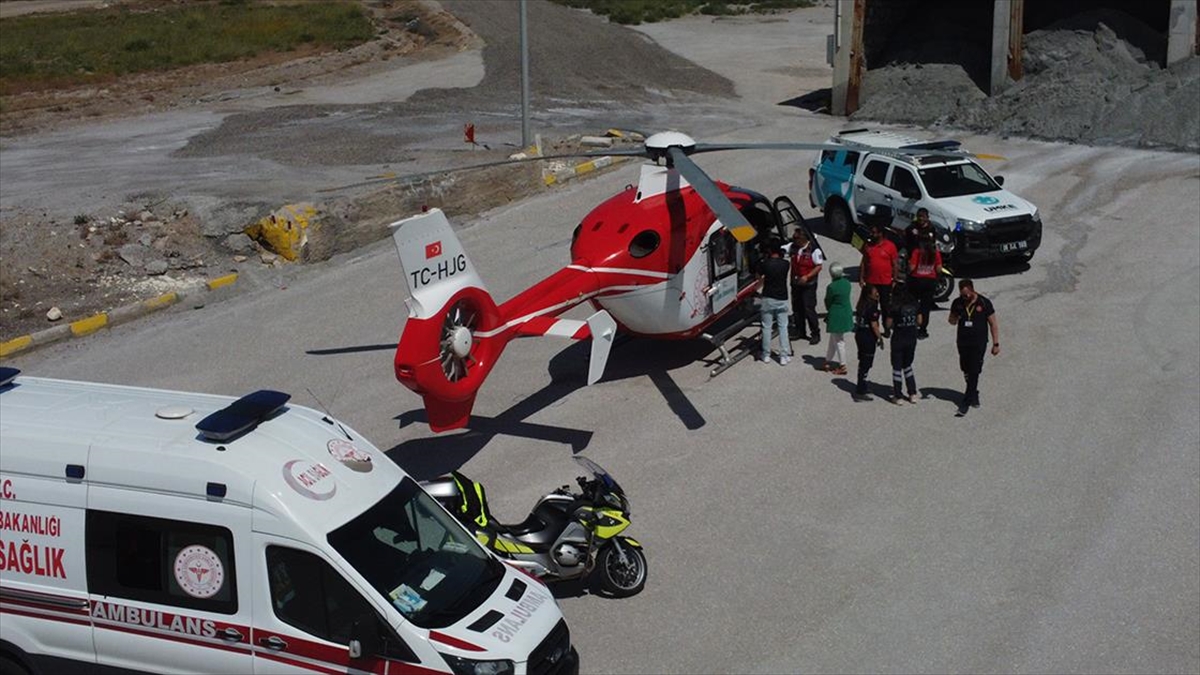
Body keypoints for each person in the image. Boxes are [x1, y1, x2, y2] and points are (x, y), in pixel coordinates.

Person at [947, 279, 999, 412]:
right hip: (963, 342)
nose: (966, 297)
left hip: (978, 343)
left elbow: (993, 324)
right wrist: (954, 318)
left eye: (968, 294)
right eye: (963, 295)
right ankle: (973, 393)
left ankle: (966, 401)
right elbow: (952, 321)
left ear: (972, 289)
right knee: (965, 368)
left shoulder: (984, 303)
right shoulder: (957, 303)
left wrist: (996, 343)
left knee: (974, 369)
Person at [884, 285, 923, 404]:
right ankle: (912, 393)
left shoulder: (894, 307)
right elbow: (920, 321)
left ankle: (898, 396)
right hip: (911, 338)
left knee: (897, 368)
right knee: (907, 365)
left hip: (898, 339)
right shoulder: (915, 304)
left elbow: (888, 324)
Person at [859, 222, 899, 336]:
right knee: (871, 306)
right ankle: (873, 327)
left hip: (885, 282)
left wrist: (895, 279)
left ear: (881, 233)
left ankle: (886, 328)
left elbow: (895, 264)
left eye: (874, 232)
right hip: (871, 282)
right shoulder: (868, 246)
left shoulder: (890, 246)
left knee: (885, 307)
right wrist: (861, 277)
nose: (872, 234)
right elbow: (864, 262)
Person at [758, 237, 792, 366]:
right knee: (783, 327)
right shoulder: (785, 264)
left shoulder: (765, 264)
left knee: (766, 327)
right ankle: (784, 355)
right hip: (782, 298)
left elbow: (758, 276)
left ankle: (766, 354)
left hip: (768, 297)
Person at [788, 229, 824, 344]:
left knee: (809, 309)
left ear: (802, 239)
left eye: (796, 238)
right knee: (797, 308)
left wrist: (807, 276)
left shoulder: (814, 250)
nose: (794, 240)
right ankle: (800, 331)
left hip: (809, 284)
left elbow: (818, 266)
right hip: (796, 283)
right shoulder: (793, 247)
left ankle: (815, 333)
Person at [906, 231, 942, 339]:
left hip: (916, 280)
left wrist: (907, 271)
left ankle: (911, 325)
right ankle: (922, 330)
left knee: (913, 304)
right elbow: (939, 269)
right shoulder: (935, 253)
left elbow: (912, 267)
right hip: (929, 282)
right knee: (925, 307)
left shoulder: (917, 252)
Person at [852, 285, 884, 401]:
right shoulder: (872, 307)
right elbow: (874, 325)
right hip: (867, 337)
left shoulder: (861, 305)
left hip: (860, 335)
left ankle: (862, 384)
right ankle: (860, 390)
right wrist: (880, 338)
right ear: (869, 295)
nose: (877, 294)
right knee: (866, 363)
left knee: (863, 361)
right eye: (875, 293)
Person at [822, 262, 852, 375]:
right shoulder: (847, 283)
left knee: (839, 341)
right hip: (846, 312)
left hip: (836, 315)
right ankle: (828, 360)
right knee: (834, 339)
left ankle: (843, 365)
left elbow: (828, 301)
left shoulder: (832, 287)